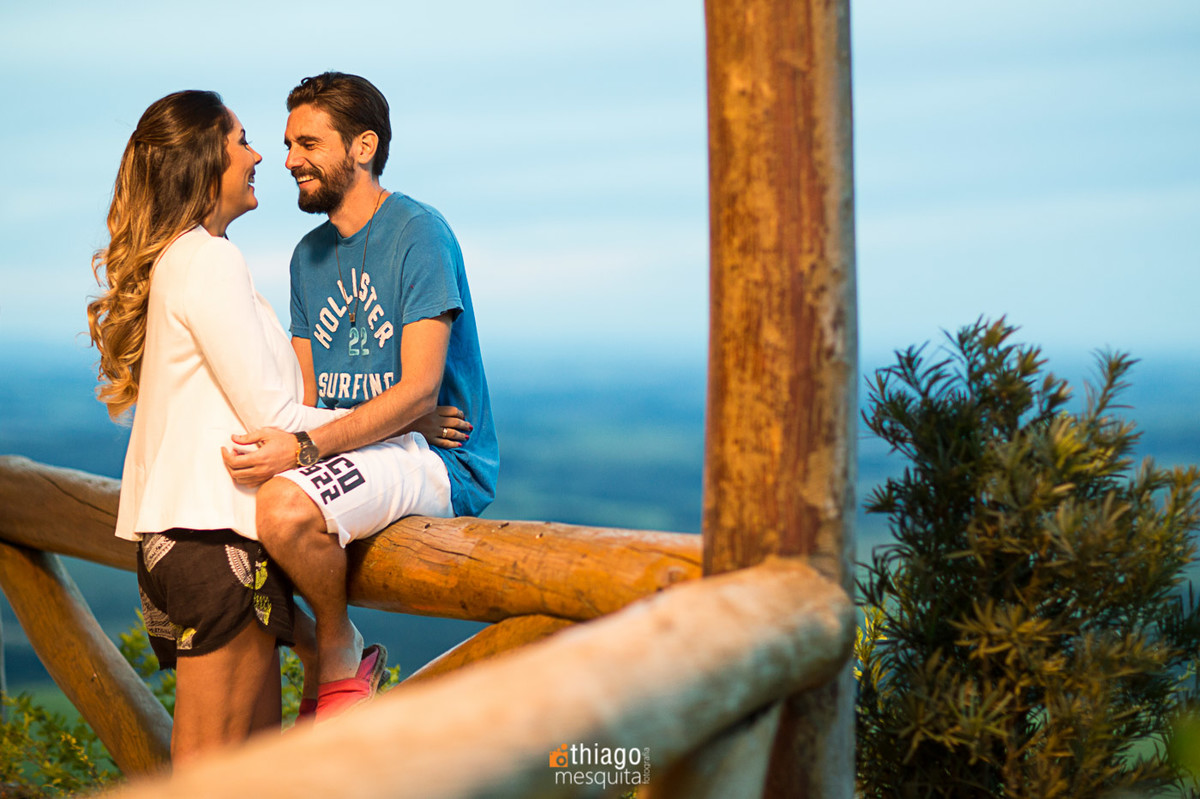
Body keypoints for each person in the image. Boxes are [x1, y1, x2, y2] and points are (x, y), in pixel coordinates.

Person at [86, 90, 461, 760]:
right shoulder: (207, 258)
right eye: (242, 140)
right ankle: (336, 652)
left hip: (185, 542)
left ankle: (328, 651)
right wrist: (410, 423)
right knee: (218, 775)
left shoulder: (186, 258)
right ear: (206, 160)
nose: (262, 156)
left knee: (242, 768)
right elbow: (277, 417)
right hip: (214, 540)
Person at [221, 72, 498, 719]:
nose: (289, 160)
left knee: (287, 512)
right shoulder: (306, 256)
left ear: (364, 146)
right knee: (225, 513)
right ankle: (302, 672)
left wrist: (307, 444)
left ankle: (339, 649)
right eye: (288, 143)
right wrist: (305, 438)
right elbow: (306, 392)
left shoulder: (418, 231)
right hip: (362, 451)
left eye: (307, 143)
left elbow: (419, 389)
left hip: (437, 460)